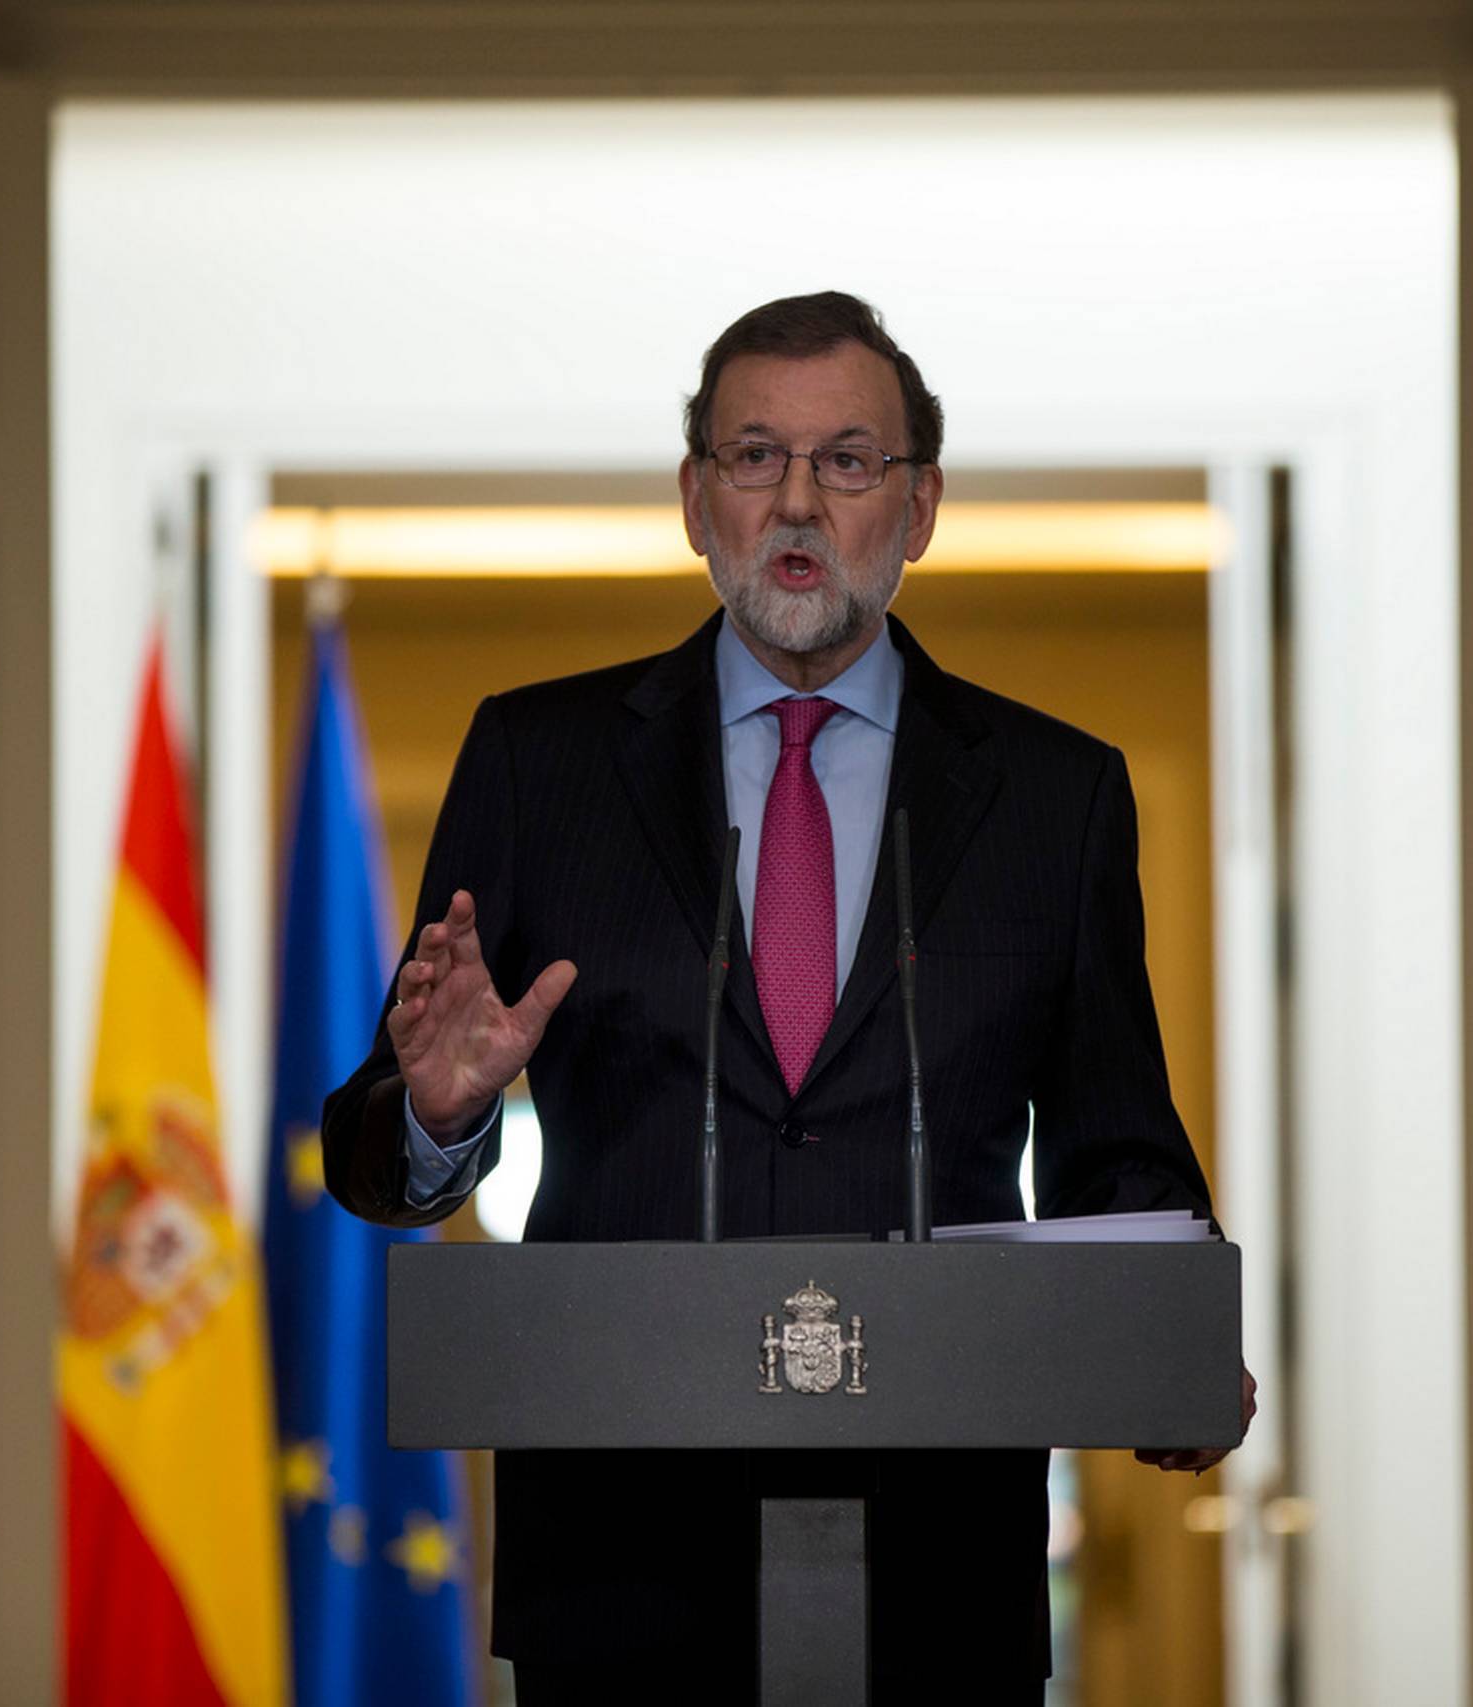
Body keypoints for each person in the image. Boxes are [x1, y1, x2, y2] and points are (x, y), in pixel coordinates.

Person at [323, 291, 1252, 1704]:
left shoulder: (1057, 796)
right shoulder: (539, 764)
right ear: (697, 500)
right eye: (756, 458)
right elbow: (371, 1159)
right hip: (617, 1578)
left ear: (922, 505)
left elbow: (1114, 1139)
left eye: (850, 461)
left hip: (941, 1567)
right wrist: (443, 1113)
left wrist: (1171, 1333)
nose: (800, 502)